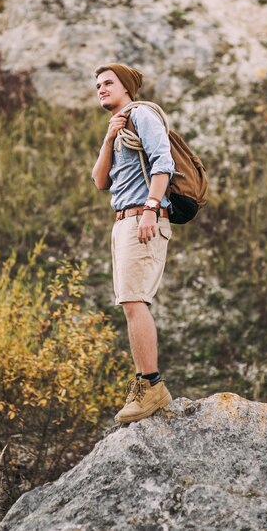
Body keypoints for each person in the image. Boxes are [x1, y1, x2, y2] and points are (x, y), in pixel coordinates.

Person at [91, 63, 174, 424]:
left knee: (134, 300)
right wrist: (109, 138)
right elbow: (99, 181)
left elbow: (163, 162)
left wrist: (151, 210)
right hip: (123, 220)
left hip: (143, 216)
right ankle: (145, 383)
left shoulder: (142, 114)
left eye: (108, 82)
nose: (101, 88)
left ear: (126, 86)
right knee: (129, 301)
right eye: (97, 85)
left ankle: (152, 386)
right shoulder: (119, 125)